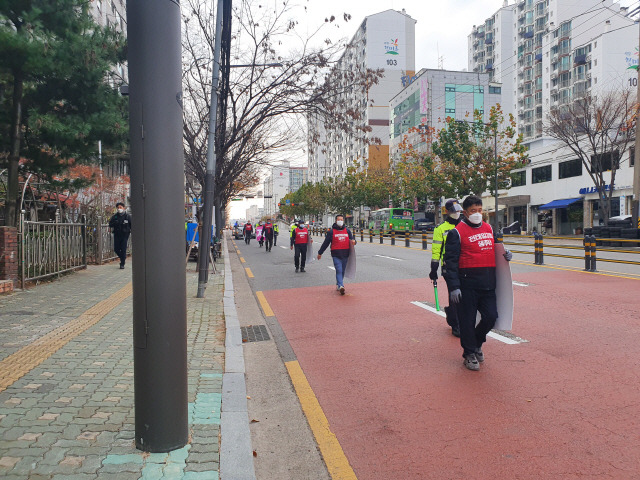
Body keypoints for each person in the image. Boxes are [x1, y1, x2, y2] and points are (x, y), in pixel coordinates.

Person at [443, 195, 512, 371]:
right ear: (465, 213)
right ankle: (469, 354)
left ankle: (476, 343)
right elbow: (449, 263)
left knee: (491, 317)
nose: (477, 214)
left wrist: (507, 254)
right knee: (467, 321)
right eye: (473, 211)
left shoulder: (489, 228)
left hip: (488, 284)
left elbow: (498, 248)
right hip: (467, 286)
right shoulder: (456, 232)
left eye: (480, 210)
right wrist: (454, 287)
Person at [430, 199, 463, 337]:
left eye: (458, 210)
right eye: (454, 210)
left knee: (465, 296)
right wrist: (434, 269)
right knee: (454, 296)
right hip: (448, 267)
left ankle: (457, 318)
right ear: (448, 212)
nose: (457, 213)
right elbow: (436, 250)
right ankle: (455, 324)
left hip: (465, 266)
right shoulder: (440, 229)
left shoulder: (465, 225)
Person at [317, 214, 356, 295]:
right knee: (339, 269)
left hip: (345, 254)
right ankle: (341, 286)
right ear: (336, 221)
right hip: (336, 254)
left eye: (342, 220)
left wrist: (354, 241)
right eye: (339, 220)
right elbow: (326, 243)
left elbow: (352, 240)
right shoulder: (331, 232)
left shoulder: (347, 231)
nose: (340, 221)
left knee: (343, 271)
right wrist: (320, 253)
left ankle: (339, 284)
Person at [108, 202, 132, 269]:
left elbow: (132, 225)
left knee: (123, 248)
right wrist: (115, 223)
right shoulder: (115, 216)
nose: (119, 209)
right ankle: (122, 257)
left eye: (120, 207)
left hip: (125, 235)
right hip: (117, 234)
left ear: (124, 208)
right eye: (118, 208)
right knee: (116, 248)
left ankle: (122, 263)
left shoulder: (128, 216)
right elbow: (110, 224)